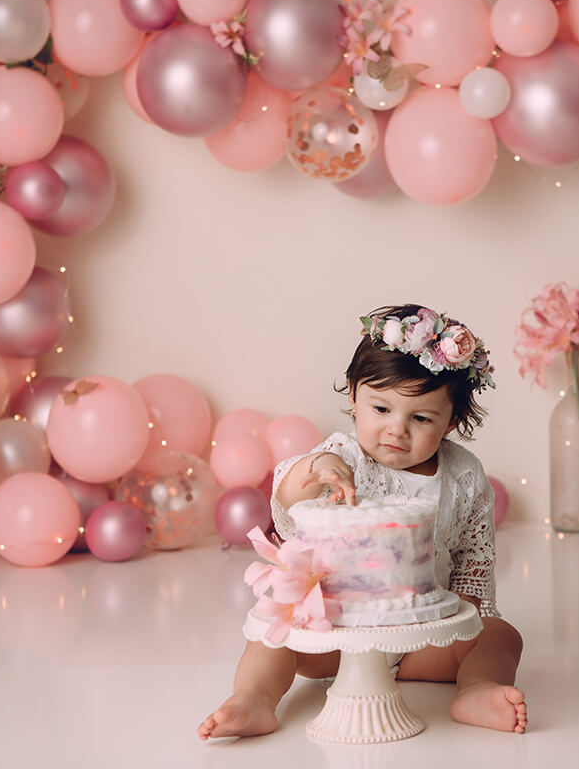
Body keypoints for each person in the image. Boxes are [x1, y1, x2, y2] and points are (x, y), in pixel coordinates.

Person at [198, 305, 527, 739]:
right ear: (353, 397)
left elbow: (474, 559)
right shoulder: (343, 457)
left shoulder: (463, 475)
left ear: (452, 422)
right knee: (272, 634)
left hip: (420, 639)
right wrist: (317, 468)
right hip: (334, 633)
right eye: (381, 408)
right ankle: (253, 699)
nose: (397, 429)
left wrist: (464, 625)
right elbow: (287, 494)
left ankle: (478, 689)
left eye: (421, 418)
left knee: (501, 636)